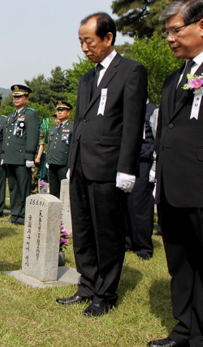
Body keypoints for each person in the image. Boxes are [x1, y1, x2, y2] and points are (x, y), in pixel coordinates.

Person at [56, 12, 147, 318]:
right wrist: (72, 161)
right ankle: (87, 284)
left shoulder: (131, 71)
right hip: (81, 164)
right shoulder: (87, 77)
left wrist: (127, 168)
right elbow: (80, 121)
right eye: (80, 41)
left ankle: (105, 293)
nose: (84, 47)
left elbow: (133, 124)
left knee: (106, 232)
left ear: (108, 38)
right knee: (82, 230)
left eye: (89, 40)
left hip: (109, 166)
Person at [147, 2, 203, 346]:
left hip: (200, 183)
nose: (170, 38)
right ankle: (185, 328)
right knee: (181, 261)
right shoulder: (175, 78)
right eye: (166, 32)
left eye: (176, 29)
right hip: (172, 185)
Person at [1, 84, 40, 225]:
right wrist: (4, 155)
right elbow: (7, 137)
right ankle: (15, 214)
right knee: (13, 188)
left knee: (23, 188)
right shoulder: (11, 116)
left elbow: (33, 136)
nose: (16, 99)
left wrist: (30, 155)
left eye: (19, 96)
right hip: (11, 157)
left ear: (26, 98)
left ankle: (23, 215)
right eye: (14, 97)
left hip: (22, 157)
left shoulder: (30, 114)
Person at [124, 100, 157, 261]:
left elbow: (159, 137)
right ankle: (128, 240)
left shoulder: (153, 111)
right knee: (126, 203)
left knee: (140, 205)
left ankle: (143, 246)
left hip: (144, 161)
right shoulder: (129, 108)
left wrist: (155, 166)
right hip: (127, 161)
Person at [46, 101, 74, 198]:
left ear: (68, 112)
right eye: (58, 110)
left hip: (63, 163)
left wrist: (71, 164)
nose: (59, 112)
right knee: (53, 189)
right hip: (52, 162)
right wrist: (48, 159)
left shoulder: (72, 127)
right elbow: (50, 144)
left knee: (64, 190)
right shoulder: (54, 128)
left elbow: (72, 147)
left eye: (62, 110)